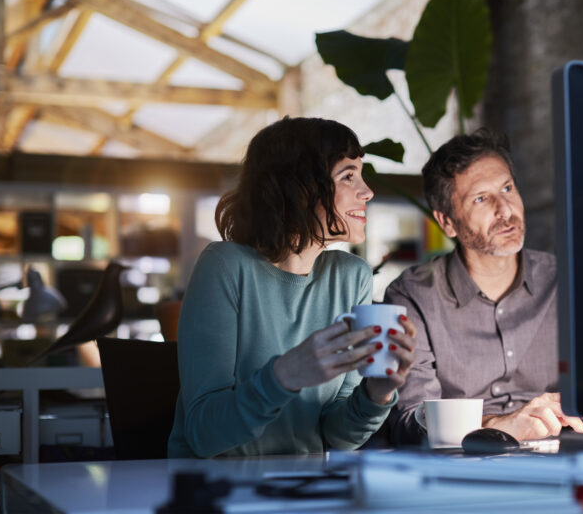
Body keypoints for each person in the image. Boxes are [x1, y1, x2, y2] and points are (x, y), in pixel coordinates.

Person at [168, 117, 417, 458]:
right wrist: (285, 375)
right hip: (216, 490)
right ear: (300, 188)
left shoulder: (351, 276)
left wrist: (378, 393)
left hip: (303, 489)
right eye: (348, 176)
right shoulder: (226, 266)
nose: (367, 191)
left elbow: (339, 436)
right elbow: (203, 434)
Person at [385, 129, 583, 445]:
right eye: (481, 198)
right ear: (447, 221)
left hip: (569, 457)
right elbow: (409, 422)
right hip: (463, 469)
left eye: (507, 188)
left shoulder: (568, 280)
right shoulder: (412, 297)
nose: (505, 211)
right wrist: (501, 425)